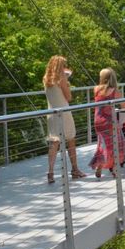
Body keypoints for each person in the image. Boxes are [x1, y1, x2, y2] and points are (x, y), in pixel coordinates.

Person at [43, 55, 86, 183]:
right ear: (60, 66)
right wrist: (67, 82)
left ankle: (50, 171)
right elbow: (68, 97)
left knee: (54, 141)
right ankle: (75, 169)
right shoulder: (61, 79)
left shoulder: (46, 79)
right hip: (64, 113)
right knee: (71, 139)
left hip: (52, 113)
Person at [89, 67, 125, 178]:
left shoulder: (96, 89)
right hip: (110, 121)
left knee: (102, 145)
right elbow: (123, 106)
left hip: (98, 121)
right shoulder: (115, 91)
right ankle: (115, 170)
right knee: (116, 144)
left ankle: (100, 166)